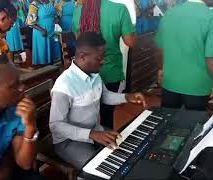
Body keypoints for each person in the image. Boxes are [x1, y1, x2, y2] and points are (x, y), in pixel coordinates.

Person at [49, 32, 146, 170]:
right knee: (103, 169)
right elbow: (56, 125)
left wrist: (126, 97)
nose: (103, 61)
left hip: (93, 130)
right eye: (99, 58)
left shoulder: (94, 74)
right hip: (68, 141)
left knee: (126, 152)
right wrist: (92, 134)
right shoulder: (64, 86)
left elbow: (104, 96)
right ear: (83, 56)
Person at [73, 0, 136, 129]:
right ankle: (105, 145)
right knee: (107, 114)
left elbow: (80, 42)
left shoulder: (79, 10)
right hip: (110, 70)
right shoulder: (119, 9)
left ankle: (91, 141)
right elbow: (131, 42)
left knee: (85, 115)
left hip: (85, 71)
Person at [156, 0, 213, 111]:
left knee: (167, 122)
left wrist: (160, 69)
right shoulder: (210, 17)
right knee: (193, 124)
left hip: (169, 82)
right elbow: (210, 59)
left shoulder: (169, 14)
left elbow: (160, 49)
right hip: (198, 86)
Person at [26, 0, 61, 65]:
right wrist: (41, 30)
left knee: (53, 54)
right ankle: (44, 70)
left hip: (52, 31)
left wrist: (57, 20)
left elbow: (57, 14)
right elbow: (30, 22)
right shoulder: (34, 4)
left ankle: (52, 69)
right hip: (41, 32)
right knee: (43, 54)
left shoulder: (52, 2)